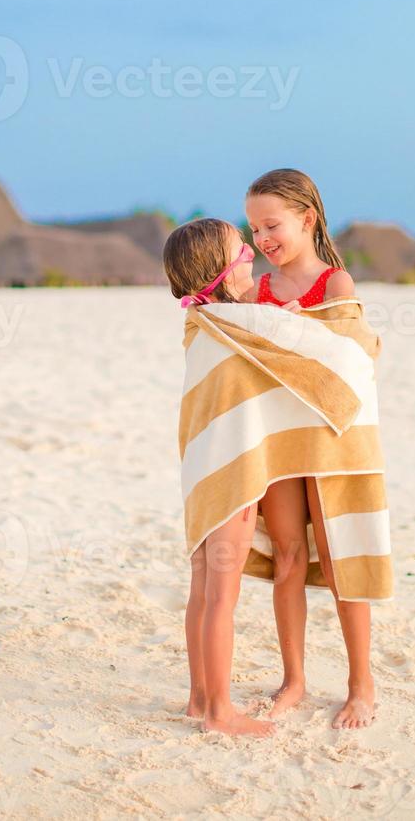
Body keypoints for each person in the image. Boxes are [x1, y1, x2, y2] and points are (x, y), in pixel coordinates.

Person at [243, 168, 376, 729]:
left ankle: (361, 684)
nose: (262, 239)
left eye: (272, 225)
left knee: (342, 554)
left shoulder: (337, 285)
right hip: (279, 442)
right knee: (289, 557)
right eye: (253, 229)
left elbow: (353, 363)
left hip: (326, 442)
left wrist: (304, 333)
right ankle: (294, 679)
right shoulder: (260, 291)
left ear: (307, 219)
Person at [163, 218, 276, 737]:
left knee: (203, 592)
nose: (253, 250)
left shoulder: (206, 324)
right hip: (230, 477)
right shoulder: (235, 326)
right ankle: (219, 713)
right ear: (220, 271)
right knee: (222, 599)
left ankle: (198, 698)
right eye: (241, 249)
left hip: (204, 474)